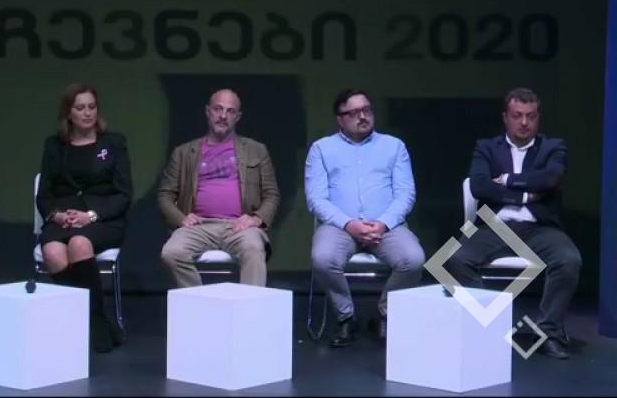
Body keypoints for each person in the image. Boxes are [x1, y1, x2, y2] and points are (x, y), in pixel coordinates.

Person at [444, 87, 582, 360]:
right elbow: (479, 186)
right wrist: (525, 195)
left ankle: (549, 333)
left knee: (569, 260)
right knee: (455, 259)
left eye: (531, 116)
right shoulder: (486, 147)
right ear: (505, 117)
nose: (524, 122)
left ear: (538, 117)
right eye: (517, 115)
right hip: (494, 226)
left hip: (539, 227)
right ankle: (484, 329)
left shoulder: (554, 147)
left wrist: (507, 179)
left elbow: (550, 179)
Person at [305, 89, 425, 346]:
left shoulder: (394, 146)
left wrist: (382, 224)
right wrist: (349, 224)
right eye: (354, 113)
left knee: (414, 260)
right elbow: (316, 199)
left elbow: (406, 194)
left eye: (367, 110)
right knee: (323, 259)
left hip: (387, 226)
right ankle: (346, 317)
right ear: (340, 119)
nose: (363, 117)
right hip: (339, 227)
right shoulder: (321, 149)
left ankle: (384, 314)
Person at [36, 83, 132, 354]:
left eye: (92, 107)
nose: (87, 113)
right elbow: (44, 195)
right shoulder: (54, 146)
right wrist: (56, 215)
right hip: (62, 219)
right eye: (80, 108)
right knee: (53, 251)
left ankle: (96, 323)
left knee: (79, 243)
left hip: (103, 220)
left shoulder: (114, 143)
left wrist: (90, 215)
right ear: (69, 112)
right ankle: (90, 321)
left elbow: (124, 194)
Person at [158, 89, 280, 288]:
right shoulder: (183, 152)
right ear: (208, 112)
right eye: (218, 109)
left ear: (238, 117)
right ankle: (199, 301)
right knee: (171, 253)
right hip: (198, 226)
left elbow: (271, 194)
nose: (223, 116)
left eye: (230, 111)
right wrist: (181, 218)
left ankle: (249, 307)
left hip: (239, 226)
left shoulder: (256, 150)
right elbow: (165, 195)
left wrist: (257, 219)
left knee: (253, 249)